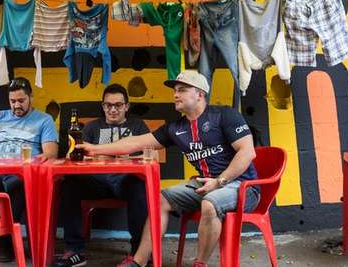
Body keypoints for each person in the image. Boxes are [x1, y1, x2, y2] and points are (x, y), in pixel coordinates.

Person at [79, 70, 260, 267]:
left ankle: (200, 263)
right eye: (175, 91)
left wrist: (219, 181)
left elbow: (247, 152)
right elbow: (135, 143)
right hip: (205, 184)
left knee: (210, 203)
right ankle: (138, 262)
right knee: (160, 199)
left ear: (200, 94)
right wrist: (94, 149)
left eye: (182, 90)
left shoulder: (225, 115)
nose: (175, 95)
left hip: (242, 186)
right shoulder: (175, 128)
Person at [0, 77, 58, 261]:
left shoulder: (44, 120)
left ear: (31, 97)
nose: (17, 105)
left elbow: (51, 153)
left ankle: (3, 242)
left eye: (21, 101)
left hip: (23, 174)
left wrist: (40, 160)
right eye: (13, 101)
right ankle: (0, 236)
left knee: (14, 188)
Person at [55, 84, 151, 267]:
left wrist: (108, 154)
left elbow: (150, 154)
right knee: (69, 183)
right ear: (103, 106)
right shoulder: (92, 127)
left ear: (127, 106)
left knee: (139, 185)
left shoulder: (137, 125)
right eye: (108, 105)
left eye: (118, 105)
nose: (113, 109)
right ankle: (75, 250)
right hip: (97, 181)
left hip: (125, 181)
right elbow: (73, 156)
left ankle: (139, 253)